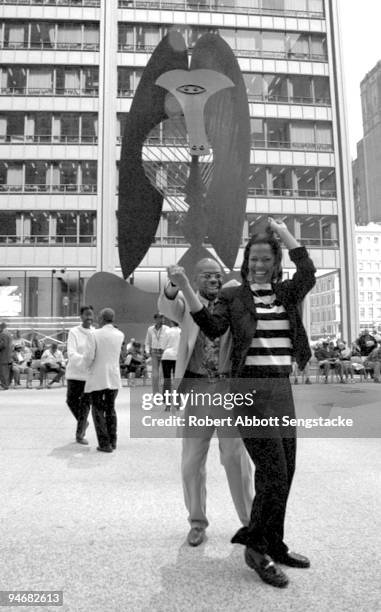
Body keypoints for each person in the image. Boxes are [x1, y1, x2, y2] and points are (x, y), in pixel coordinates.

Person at [168, 218, 316, 588]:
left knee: (287, 472)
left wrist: (281, 231)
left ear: (276, 262)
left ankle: (275, 543)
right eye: (252, 260)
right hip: (249, 391)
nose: (258, 265)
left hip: (281, 389)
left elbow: (308, 269)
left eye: (265, 259)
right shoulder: (235, 296)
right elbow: (212, 326)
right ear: (246, 263)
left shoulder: (287, 293)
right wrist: (186, 286)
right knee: (273, 474)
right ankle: (255, 548)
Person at [159, 259, 253, 548]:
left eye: (217, 275)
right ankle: (197, 522)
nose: (213, 279)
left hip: (228, 388)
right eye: (206, 275)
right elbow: (166, 306)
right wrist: (176, 282)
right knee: (190, 463)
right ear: (195, 279)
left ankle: (251, 524)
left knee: (235, 459)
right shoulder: (187, 303)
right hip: (198, 388)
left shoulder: (232, 303)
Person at [84, 308, 124, 452]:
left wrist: (85, 367)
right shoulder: (120, 334)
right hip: (113, 377)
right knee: (111, 409)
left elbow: (89, 357)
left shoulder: (94, 334)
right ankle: (113, 441)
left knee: (98, 410)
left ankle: (104, 443)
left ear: (101, 318)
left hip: (98, 377)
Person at [65, 306, 96, 445]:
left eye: (91, 315)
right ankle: (83, 422)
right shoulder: (74, 332)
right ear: (81, 316)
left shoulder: (96, 333)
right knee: (71, 400)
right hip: (74, 373)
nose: (89, 318)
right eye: (86, 315)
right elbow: (71, 353)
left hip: (89, 376)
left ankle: (80, 434)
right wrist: (85, 360)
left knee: (85, 405)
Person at [144, 313, 170, 395]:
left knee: (163, 374)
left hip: (164, 353)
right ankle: (156, 394)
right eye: (160, 318)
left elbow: (169, 341)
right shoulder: (150, 329)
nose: (162, 320)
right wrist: (147, 352)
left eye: (163, 318)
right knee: (155, 375)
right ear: (155, 319)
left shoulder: (167, 329)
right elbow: (147, 342)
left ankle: (164, 394)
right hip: (154, 352)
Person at [161, 321, 181, 406]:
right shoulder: (181, 331)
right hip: (178, 357)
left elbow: (162, 346)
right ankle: (177, 401)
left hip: (167, 356)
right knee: (177, 379)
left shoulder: (167, 331)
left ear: (171, 322)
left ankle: (166, 400)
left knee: (167, 379)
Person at [0, 321, 13, 390]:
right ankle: (5, 384)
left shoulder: (2, 334)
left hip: (3, 356)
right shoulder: (9, 334)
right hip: (8, 356)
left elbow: (3, 345)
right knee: (6, 372)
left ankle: (5, 385)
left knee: (3, 372)